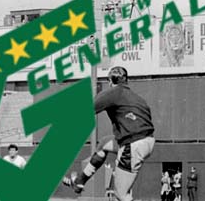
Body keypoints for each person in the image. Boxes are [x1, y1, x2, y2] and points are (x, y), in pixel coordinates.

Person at [63, 66, 156, 201]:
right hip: (147, 141)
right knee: (104, 143)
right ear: (126, 81)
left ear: (110, 81)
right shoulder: (138, 98)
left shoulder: (113, 92)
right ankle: (80, 180)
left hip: (132, 144)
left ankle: (79, 181)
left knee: (121, 194)